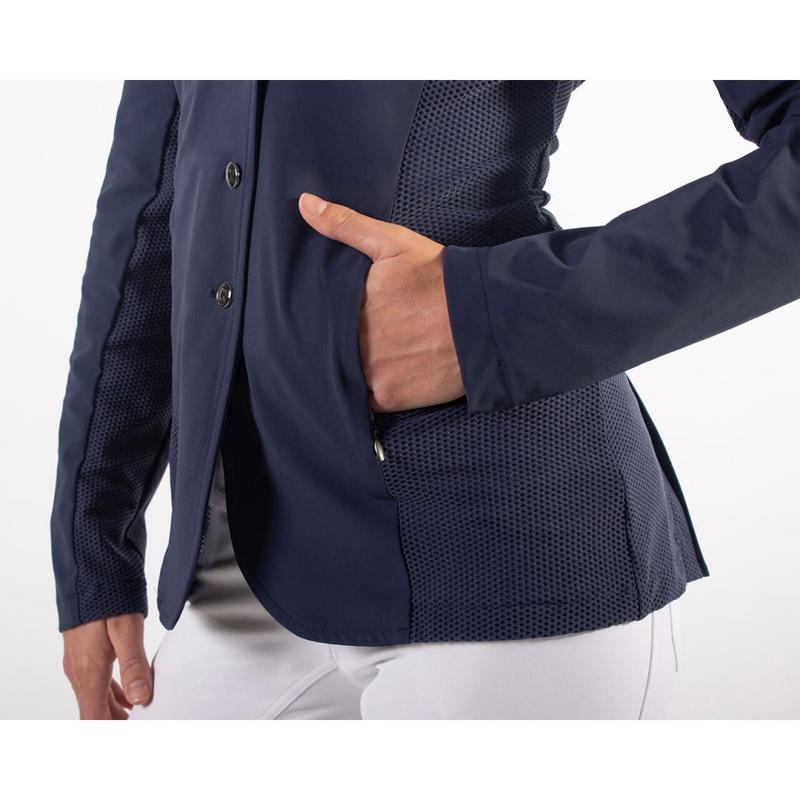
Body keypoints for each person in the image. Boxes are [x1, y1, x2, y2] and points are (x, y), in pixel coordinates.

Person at [53, 80, 800, 719]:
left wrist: (490, 315)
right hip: (243, 561)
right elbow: (149, 219)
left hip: (508, 559)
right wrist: (93, 543)